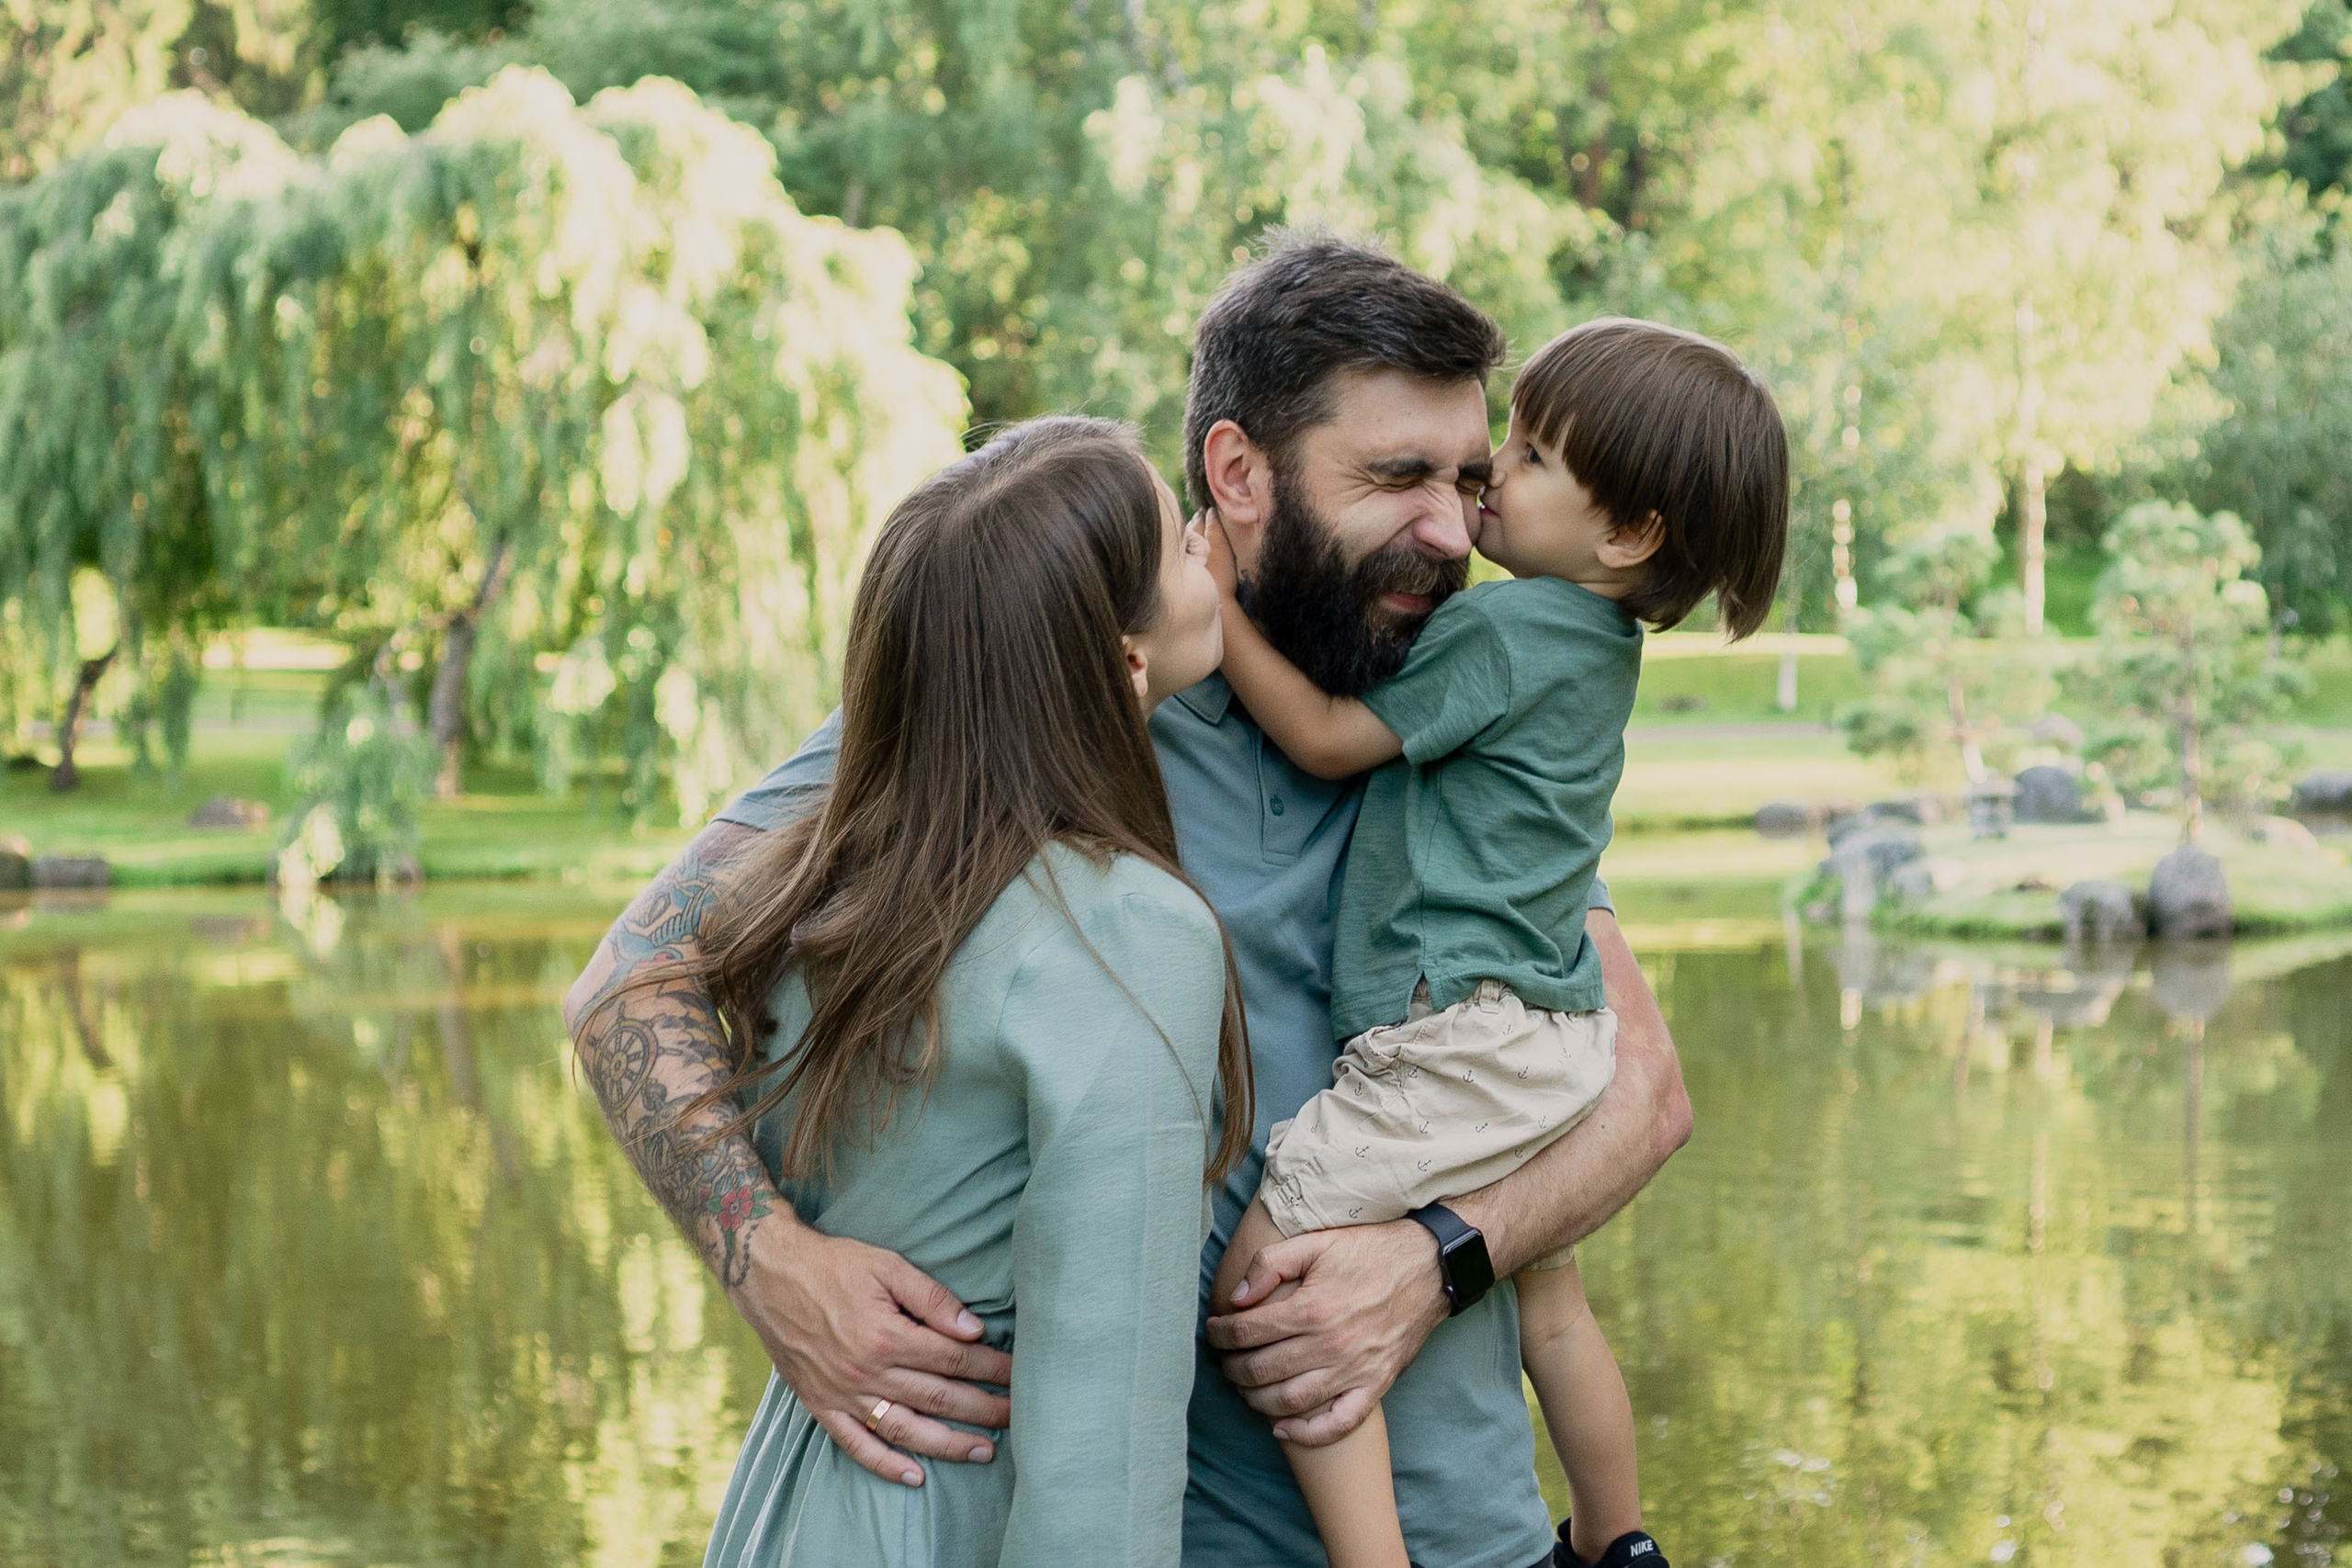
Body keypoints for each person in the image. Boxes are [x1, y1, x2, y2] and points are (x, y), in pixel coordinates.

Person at [565, 232, 1695, 1568]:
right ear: (1235, 471)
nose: (1452, 530)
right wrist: (773, 1263)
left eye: (1466, 475)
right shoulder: (1026, 695)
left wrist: (1435, 1259)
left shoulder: (1464, 712)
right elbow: (633, 979)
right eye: (1396, 478)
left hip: (1480, 1536)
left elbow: (1641, 1090)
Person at [582, 416, 1250, 1565]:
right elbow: (1102, 1469)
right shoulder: (1130, 936)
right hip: (951, 1509)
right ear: (1124, 667)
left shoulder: (817, 878)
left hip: (799, 1503)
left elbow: (627, 982)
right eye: (1181, 551)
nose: (1210, 540)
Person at [1204, 317, 1791, 1568]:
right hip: (1548, 1028)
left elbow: (1322, 734)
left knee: (1274, 1285)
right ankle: (1619, 1534)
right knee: (1554, 1301)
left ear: (1627, 534)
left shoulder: (1500, 635)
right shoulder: (1599, 648)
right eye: (1419, 473)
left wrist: (1212, 598)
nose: (1480, 496)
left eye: (1518, 461)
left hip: (1453, 1029)